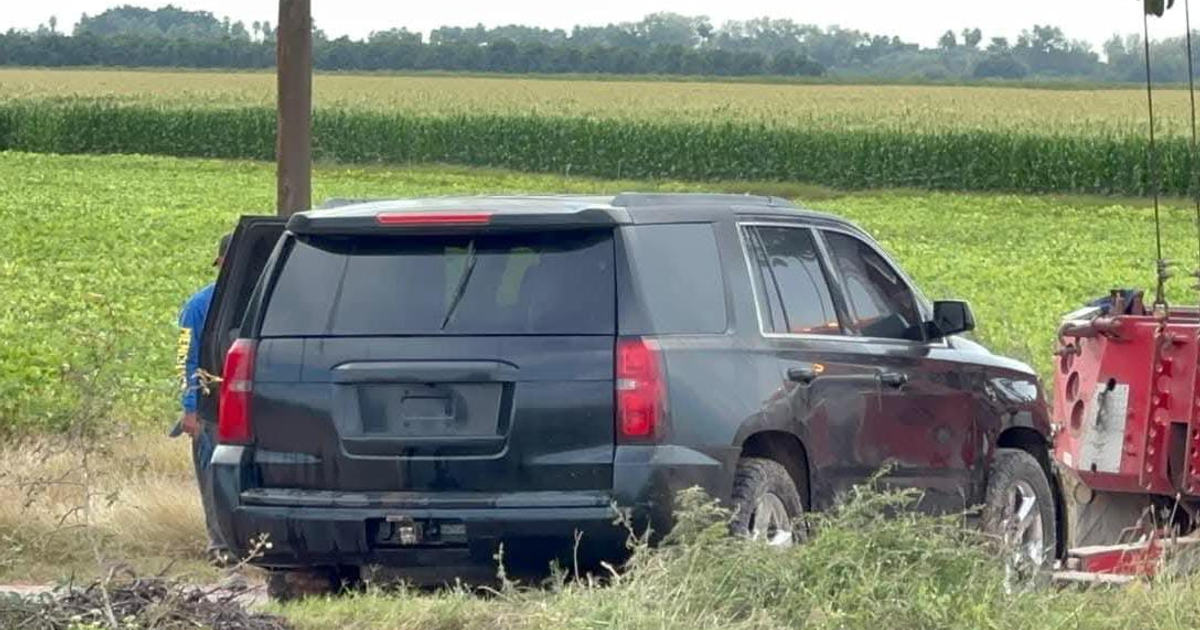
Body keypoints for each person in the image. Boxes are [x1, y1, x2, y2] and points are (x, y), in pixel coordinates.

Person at [172, 232, 232, 566]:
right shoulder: (196, 306)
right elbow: (185, 359)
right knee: (213, 480)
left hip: (252, 410)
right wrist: (190, 409)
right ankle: (221, 549)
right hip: (211, 411)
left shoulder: (264, 302)